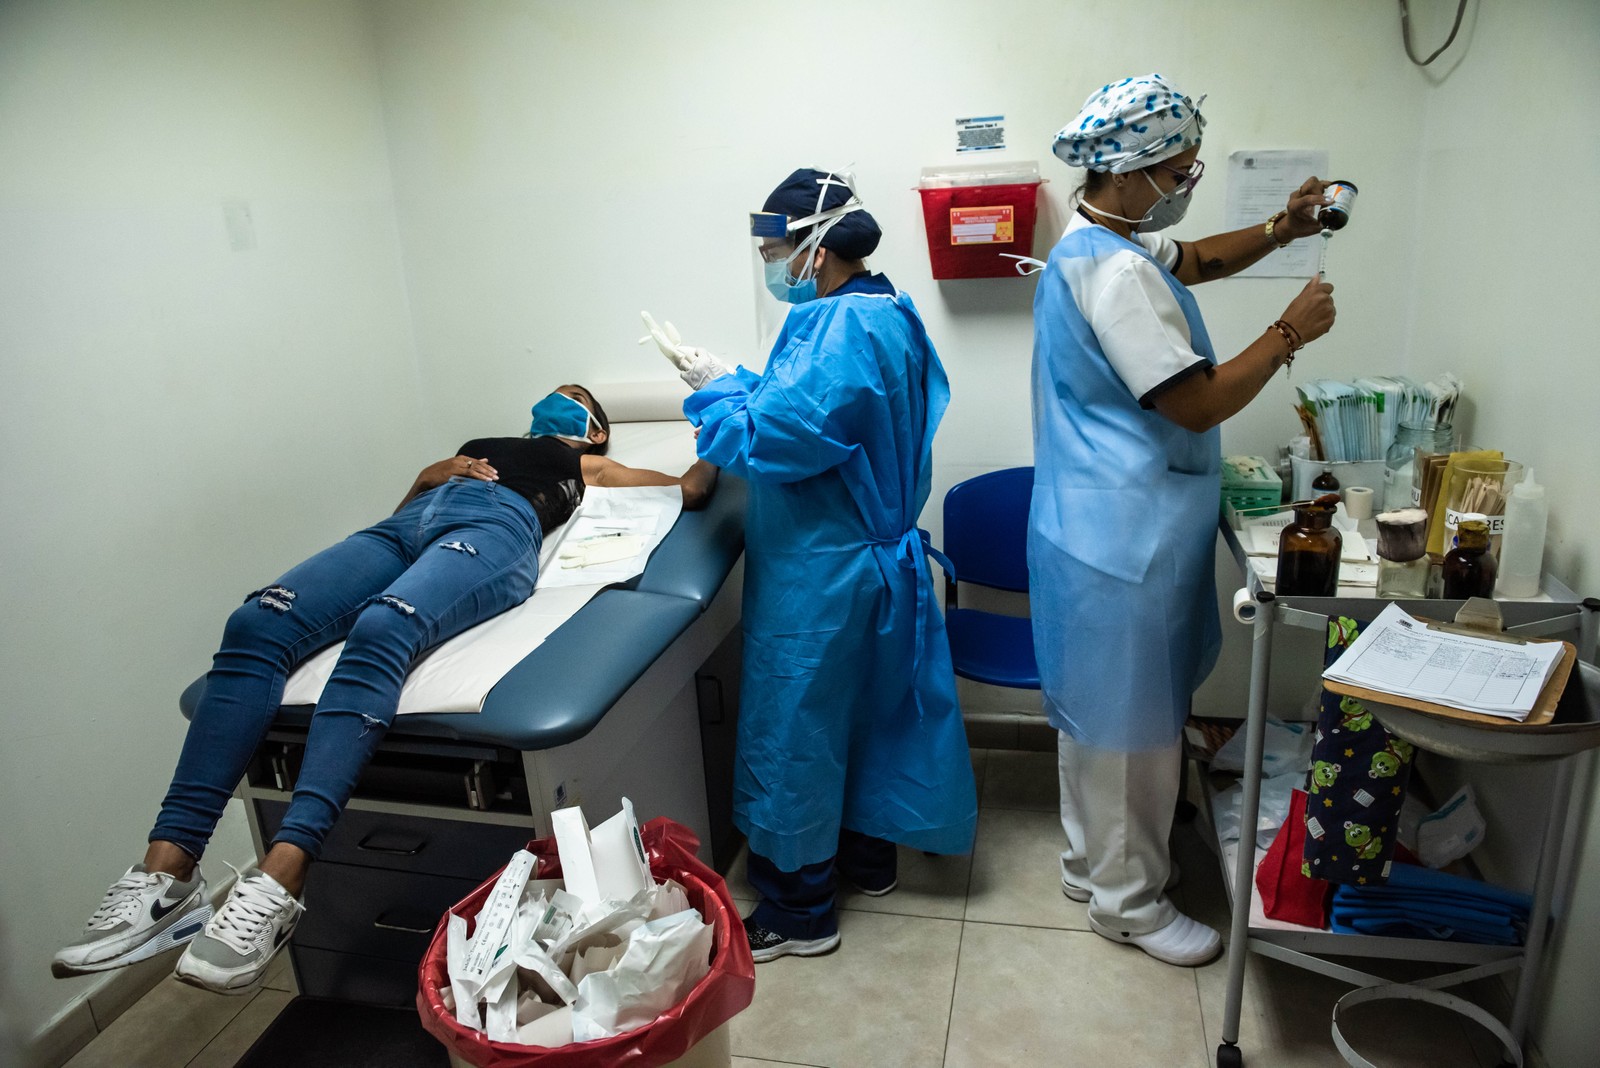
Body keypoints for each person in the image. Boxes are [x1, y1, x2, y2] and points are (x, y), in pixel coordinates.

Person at [53, 384, 718, 993]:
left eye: (579, 402)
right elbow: (407, 511)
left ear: (596, 433)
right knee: (256, 622)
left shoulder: (579, 461)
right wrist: (430, 476)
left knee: (382, 626)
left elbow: (686, 491)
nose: (563, 398)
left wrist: (719, 433)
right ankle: (168, 874)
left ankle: (283, 874)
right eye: (559, 391)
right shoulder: (480, 444)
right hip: (408, 526)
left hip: (496, 535)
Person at [1030, 75, 1337, 967]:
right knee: (1133, 733)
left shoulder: (1092, 244)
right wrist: (1289, 332)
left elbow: (1195, 259)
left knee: (1094, 718)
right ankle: (1128, 905)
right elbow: (1196, 404)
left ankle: (1093, 867)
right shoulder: (1117, 276)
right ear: (1123, 174)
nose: (1188, 178)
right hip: (1123, 536)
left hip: (1089, 525)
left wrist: (1285, 228)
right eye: (1174, 167)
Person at [643, 169, 977, 962]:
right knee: (864, 719)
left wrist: (715, 389)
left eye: (774, 250)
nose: (771, 265)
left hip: (820, 574)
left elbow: (771, 442)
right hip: (865, 561)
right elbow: (825, 416)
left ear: (816, 250)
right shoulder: (885, 312)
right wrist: (744, 382)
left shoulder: (839, 330)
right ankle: (868, 861)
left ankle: (799, 911)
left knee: (796, 734)